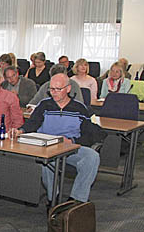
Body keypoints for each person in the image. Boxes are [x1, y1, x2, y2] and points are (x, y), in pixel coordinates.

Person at [12, 73, 100, 203]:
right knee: (47, 161)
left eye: (58, 89)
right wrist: (21, 130)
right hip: (48, 147)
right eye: (51, 89)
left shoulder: (80, 108)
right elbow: (32, 123)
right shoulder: (44, 105)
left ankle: (76, 200)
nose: (54, 93)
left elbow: (89, 134)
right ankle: (53, 198)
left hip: (70, 147)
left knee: (92, 157)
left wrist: (73, 142)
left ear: (68, 89)